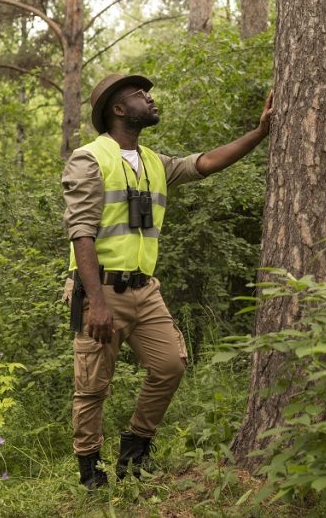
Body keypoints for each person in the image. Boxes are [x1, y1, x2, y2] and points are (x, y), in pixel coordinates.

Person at [62, 73, 273, 488]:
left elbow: (207, 162)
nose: (150, 99)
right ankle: (90, 472)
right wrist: (98, 304)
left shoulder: (155, 163)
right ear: (119, 110)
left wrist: (260, 132)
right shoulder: (90, 158)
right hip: (100, 291)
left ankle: (134, 451)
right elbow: (81, 233)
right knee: (92, 387)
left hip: (145, 290)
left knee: (170, 364)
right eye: (140, 95)